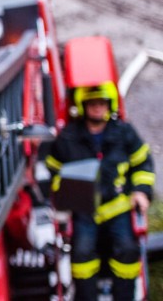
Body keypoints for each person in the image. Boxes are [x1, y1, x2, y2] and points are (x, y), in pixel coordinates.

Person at [44, 83, 154, 301]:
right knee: (82, 254)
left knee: (127, 250)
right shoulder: (68, 137)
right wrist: (63, 197)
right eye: (92, 104)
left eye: (102, 103)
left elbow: (143, 164)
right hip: (84, 211)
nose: (97, 108)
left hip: (119, 207)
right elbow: (52, 171)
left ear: (109, 105)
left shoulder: (124, 132)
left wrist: (141, 192)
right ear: (83, 106)